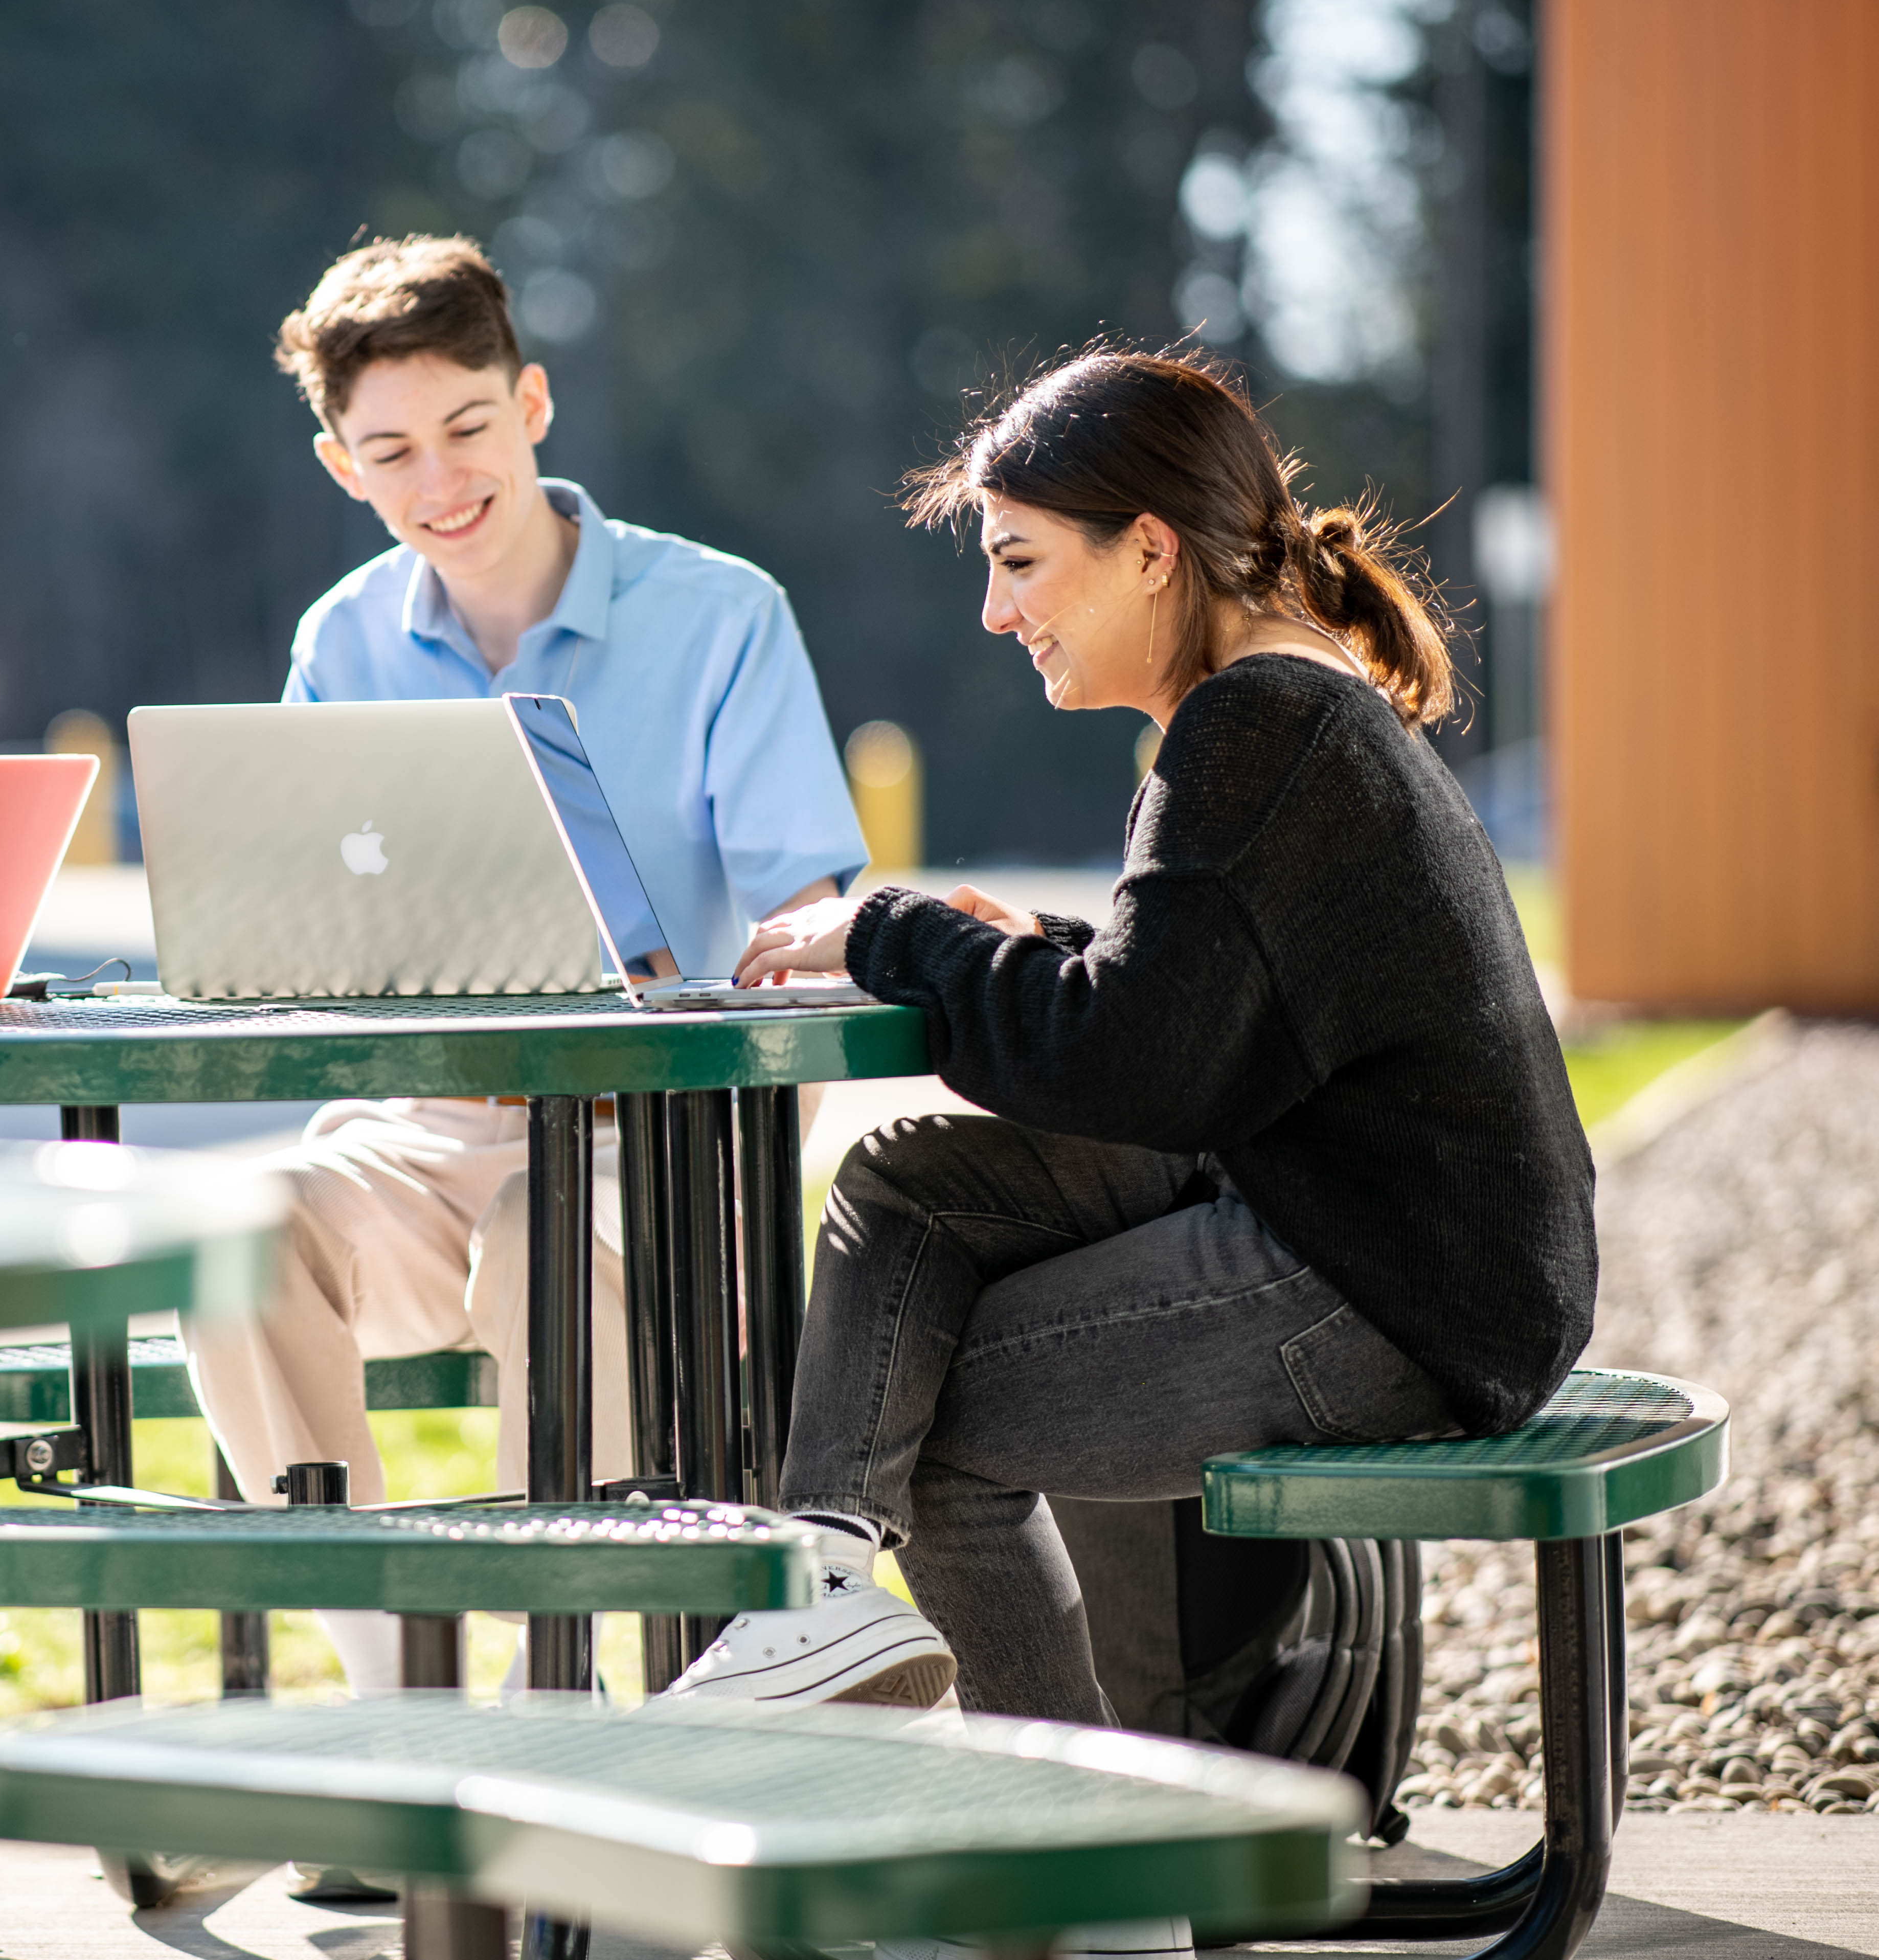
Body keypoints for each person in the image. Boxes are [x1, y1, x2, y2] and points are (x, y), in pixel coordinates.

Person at [665, 347, 1593, 1813]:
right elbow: (1204, 1003)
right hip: (1374, 1225)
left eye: (1021, 560)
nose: (995, 609)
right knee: (906, 1182)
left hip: (1396, 1287)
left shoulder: (1255, 725)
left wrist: (891, 930)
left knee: (946, 1425)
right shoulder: (1277, 700)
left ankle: (1091, 1857)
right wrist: (1023, 943)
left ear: (1148, 550)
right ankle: (820, 1589)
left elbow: (1131, 1061)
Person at [184, 236, 868, 1696]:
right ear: (337, 466)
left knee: (542, 1232)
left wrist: (742, 1140)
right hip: (430, 1135)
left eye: (468, 426)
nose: (438, 479)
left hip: (662, 1149)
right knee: (234, 1227)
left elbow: (803, 923)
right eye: (390, 450)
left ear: (534, 402)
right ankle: (397, 1691)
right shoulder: (340, 639)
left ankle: (552, 1689)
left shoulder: (721, 616)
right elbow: (303, 938)